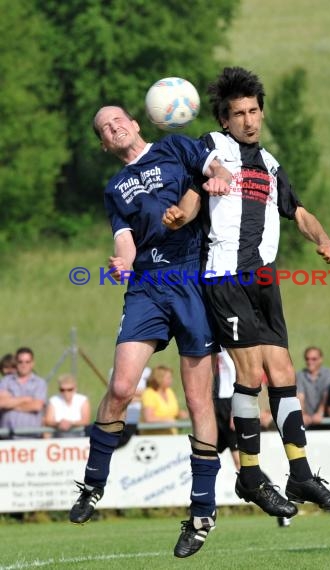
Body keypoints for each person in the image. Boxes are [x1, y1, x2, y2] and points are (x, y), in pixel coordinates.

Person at [163, 66, 330, 519]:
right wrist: (182, 215)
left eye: (253, 111)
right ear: (224, 119)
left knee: (282, 369)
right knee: (251, 371)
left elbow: (298, 211)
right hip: (224, 275)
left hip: (263, 277)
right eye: (238, 113)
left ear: (261, 113)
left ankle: (300, 472)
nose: (247, 119)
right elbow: (194, 188)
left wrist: (322, 239)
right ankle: (249, 472)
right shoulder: (212, 147)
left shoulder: (270, 165)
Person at [68, 104, 231, 559]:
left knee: (199, 400)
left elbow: (213, 168)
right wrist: (121, 260)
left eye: (118, 119)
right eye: (104, 127)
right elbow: (124, 236)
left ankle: (202, 513)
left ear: (136, 124)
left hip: (189, 279)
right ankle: (93, 485)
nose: (113, 126)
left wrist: (216, 178)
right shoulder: (115, 187)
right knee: (120, 387)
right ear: (104, 143)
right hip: (146, 286)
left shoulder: (174, 146)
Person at [214, 348, 291, 528]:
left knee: (243, 465)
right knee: (204, 457)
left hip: (228, 405)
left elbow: (238, 372)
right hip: (212, 404)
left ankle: (280, 505)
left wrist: (236, 408)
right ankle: (204, 513)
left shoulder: (228, 343)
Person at [0, 347, 47, 439]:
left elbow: (36, 406)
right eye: (20, 362)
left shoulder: (40, 383)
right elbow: (1, 403)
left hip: (31, 438)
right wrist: (24, 399)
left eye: (27, 362)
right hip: (7, 437)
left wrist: (11, 403)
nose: (23, 365)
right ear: (16, 363)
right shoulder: (6, 381)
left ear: (32, 363)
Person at [296, 347, 330, 429]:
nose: (310, 362)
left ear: (321, 359)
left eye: (314, 359)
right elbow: (300, 396)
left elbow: (327, 395)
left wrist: (320, 413)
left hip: (326, 421)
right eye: (307, 359)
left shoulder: (329, 374)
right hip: (307, 421)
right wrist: (302, 414)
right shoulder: (300, 375)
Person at [141, 365, 188, 434]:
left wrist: (179, 414)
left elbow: (172, 412)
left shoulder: (169, 391)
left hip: (171, 436)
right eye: (168, 378)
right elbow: (149, 418)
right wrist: (166, 420)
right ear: (159, 379)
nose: (171, 380)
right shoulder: (149, 393)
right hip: (154, 438)